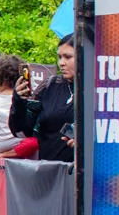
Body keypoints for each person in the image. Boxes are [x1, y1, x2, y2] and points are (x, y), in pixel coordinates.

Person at [10, 35, 77, 163]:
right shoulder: (50, 85)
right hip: (49, 170)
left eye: (68, 57)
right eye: (59, 57)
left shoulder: (100, 90)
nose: (61, 63)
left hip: (85, 173)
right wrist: (19, 101)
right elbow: (23, 131)